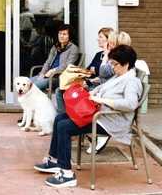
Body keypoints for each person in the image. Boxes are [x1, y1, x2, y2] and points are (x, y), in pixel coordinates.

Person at [34, 45, 142, 188]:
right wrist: (91, 93)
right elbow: (102, 88)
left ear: (126, 64)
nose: (113, 67)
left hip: (110, 121)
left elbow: (130, 104)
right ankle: (55, 160)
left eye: (115, 64)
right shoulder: (119, 76)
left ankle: (66, 174)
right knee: (60, 118)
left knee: (64, 127)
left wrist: (102, 100)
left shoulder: (132, 81)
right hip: (100, 115)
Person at [55, 27, 114, 113]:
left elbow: (103, 76)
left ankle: (70, 116)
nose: (98, 39)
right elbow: (88, 70)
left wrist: (90, 78)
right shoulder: (99, 55)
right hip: (88, 82)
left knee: (65, 91)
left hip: (96, 87)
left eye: (101, 37)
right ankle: (63, 114)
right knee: (59, 90)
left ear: (109, 39)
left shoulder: (112, 57)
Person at [31, 24, 79, 92]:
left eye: (64, 34)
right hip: (47, 75)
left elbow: (68, 65)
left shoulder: (73, 49)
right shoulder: (55, 47)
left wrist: (53, 71)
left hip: (59, 77)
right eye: (60, 33)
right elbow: (48, 62)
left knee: (34, 86)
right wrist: (42, 73)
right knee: (26, 83)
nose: (61, 36)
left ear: (70, 36)